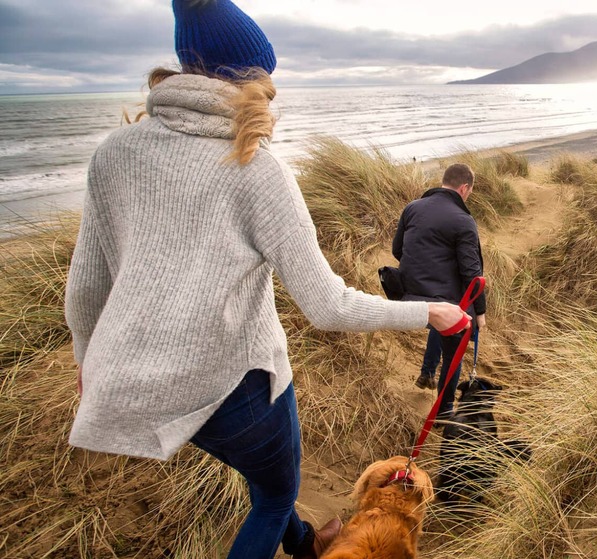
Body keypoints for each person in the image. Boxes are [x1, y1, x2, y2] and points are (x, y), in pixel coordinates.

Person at [63, 2, 469, 559]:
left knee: (264, 478)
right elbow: (327, 306)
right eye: (266, 76)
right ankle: (294, 536)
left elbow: (86, 290)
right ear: (250, 78)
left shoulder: (115, 151)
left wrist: (88, 362)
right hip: (237, 385)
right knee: (276, 497)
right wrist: (429, 311)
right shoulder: (254, 165)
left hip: (138, 385)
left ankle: (306, 546)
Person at [392, 163, 487, 420]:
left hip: (407, 296)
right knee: (455, 335)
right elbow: (473, 275)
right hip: (440, 301)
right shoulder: (463, 220)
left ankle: (427, 372)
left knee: (443, 315)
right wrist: (480, 311)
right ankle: (444, 410)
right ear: (464, 188)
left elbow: (397, 251)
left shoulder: (412, 207)